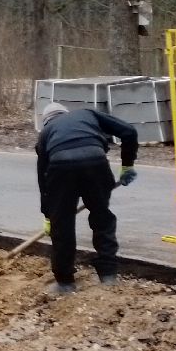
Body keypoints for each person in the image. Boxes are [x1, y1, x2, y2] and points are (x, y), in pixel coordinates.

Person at [36, 101, 138, 294]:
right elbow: (129, 132)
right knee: (102, 219)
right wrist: (127, 165)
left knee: (62, 227)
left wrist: (49, 216)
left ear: (46, 122)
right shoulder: (87, 114)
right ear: (66, 113)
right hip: (95, 162)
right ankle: (108, 276)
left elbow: (44, 181)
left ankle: (65, 283)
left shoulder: (45, 134)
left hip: (61, 168)